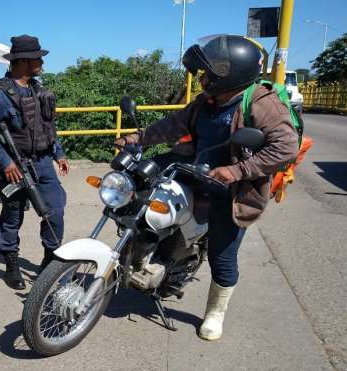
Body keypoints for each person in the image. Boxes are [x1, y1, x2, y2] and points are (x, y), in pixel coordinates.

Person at [114, 34, 299, 341]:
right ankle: (150, 259)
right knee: (141, 197)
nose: (204, 77)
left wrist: (238, 170)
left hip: (234, 191)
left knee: (222, 256)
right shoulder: (206, 102)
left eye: (212, 72)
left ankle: (215, 312)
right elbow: (174, 125)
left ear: (234, 73)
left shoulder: (263, 103)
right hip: (194, 170)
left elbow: (285, 148)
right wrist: (138, 139)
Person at [0, 35, 70, 290]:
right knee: (12, 215)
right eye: (38, 58)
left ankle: (50, 259)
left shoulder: (39, 91)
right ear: (23, 61)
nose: (42, 62)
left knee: (55, 210)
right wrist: (5, 162)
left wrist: (58, 153)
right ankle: (11, 264)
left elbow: (48, 127)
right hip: (15, 166)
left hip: (42, 162)